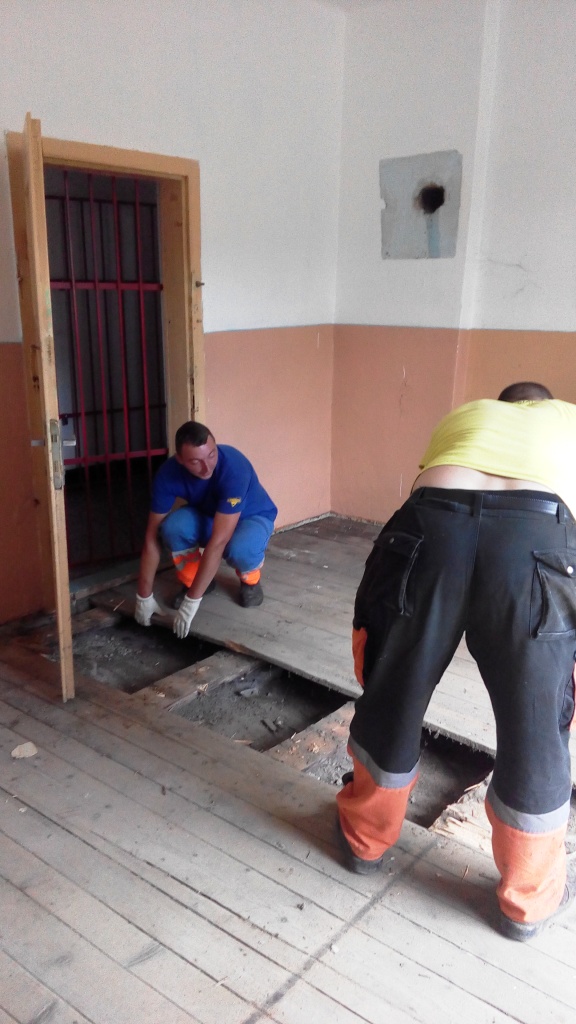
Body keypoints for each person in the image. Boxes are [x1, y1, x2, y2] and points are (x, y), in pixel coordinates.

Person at [337, 382, 576, 941]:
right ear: (542, 404)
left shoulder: (465, 417)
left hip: (430, 525)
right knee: (537, 724)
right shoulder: (567, 420)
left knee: (394, 689)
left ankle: (363, 841)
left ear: (502, 405)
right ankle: (527, 900)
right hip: (534, 539)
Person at [135, 421, 277, 639]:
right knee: (173, 528)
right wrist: (143, 596)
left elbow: (219, 542)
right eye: (195, 462)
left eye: (212, 455)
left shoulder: (233, 467)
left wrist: (191, 602)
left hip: (251, 517)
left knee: (240, 548)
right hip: (210, 515)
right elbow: (151, 537)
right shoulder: (168, 474)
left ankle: (250, 581)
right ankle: (195, 580)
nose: (207, 467)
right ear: (180, 460)